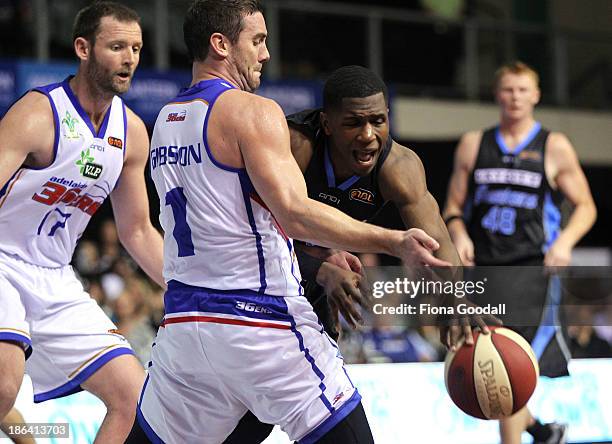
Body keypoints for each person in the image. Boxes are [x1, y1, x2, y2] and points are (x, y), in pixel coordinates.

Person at [132, 2, 483, 443]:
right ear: (220, 45)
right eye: (257, 41)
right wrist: (392, 243)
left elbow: (238, 218)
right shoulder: (258, 115)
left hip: (186, 325)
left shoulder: (165, 120)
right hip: (260, 320)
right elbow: (294, 213)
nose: (266, 54)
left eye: (378, 121)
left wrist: (459, 302)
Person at [225, 64, 477, 443]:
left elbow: (436, 243)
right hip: (245, 277)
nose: (368, 135)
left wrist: (457, 301)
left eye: (378, 121)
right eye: (354, 123)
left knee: (265, 414)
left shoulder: (400, 167)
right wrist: (321, 266)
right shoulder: (295, 146)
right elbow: (249, 234)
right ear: (326, 123)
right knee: (263, 407)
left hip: (302, 278)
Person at [0, 2, 164, 443]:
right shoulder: (38, 113)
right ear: (83, 48)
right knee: (3, 384)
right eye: (116, 47)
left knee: (134, 398)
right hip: (2, 260)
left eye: (136, 48)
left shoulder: (131, 132)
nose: (129, 58)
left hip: (55, 276)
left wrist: (187, 286)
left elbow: (137, 231)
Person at [444, 61, 597, 444]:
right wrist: (459, 233)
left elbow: (586, 207)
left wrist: (564, 243)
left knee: (503, 364)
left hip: (530, 272)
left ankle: (524, 437)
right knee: (490, 362)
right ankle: (541, 431)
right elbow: (452, 209)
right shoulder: (474, 143)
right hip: (483, 272)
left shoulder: (553, 145)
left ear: (536, 95)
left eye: (523, 90)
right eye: (508, 89)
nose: (515, 97)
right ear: (497, 95)